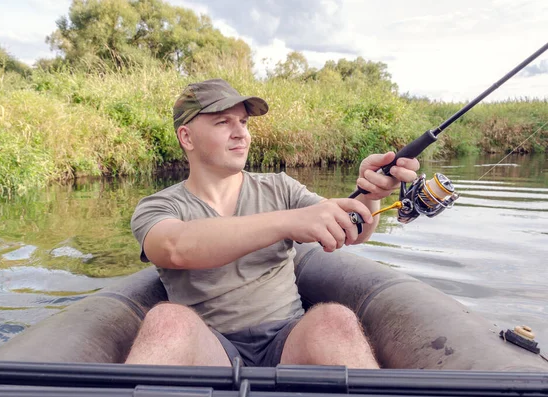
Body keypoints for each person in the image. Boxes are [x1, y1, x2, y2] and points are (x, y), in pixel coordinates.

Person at [127, 78, 419, 368]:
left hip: (286, 339)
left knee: (335, 319)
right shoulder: (159, 206)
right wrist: (288, 222)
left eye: (243, 122)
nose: (240, 133)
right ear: (187, 137)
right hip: (211, 347)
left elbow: (353, 232)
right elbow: (174, 248)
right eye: (223, 123)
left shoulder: (281, 188)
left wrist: (370, 195)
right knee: (167, 320)